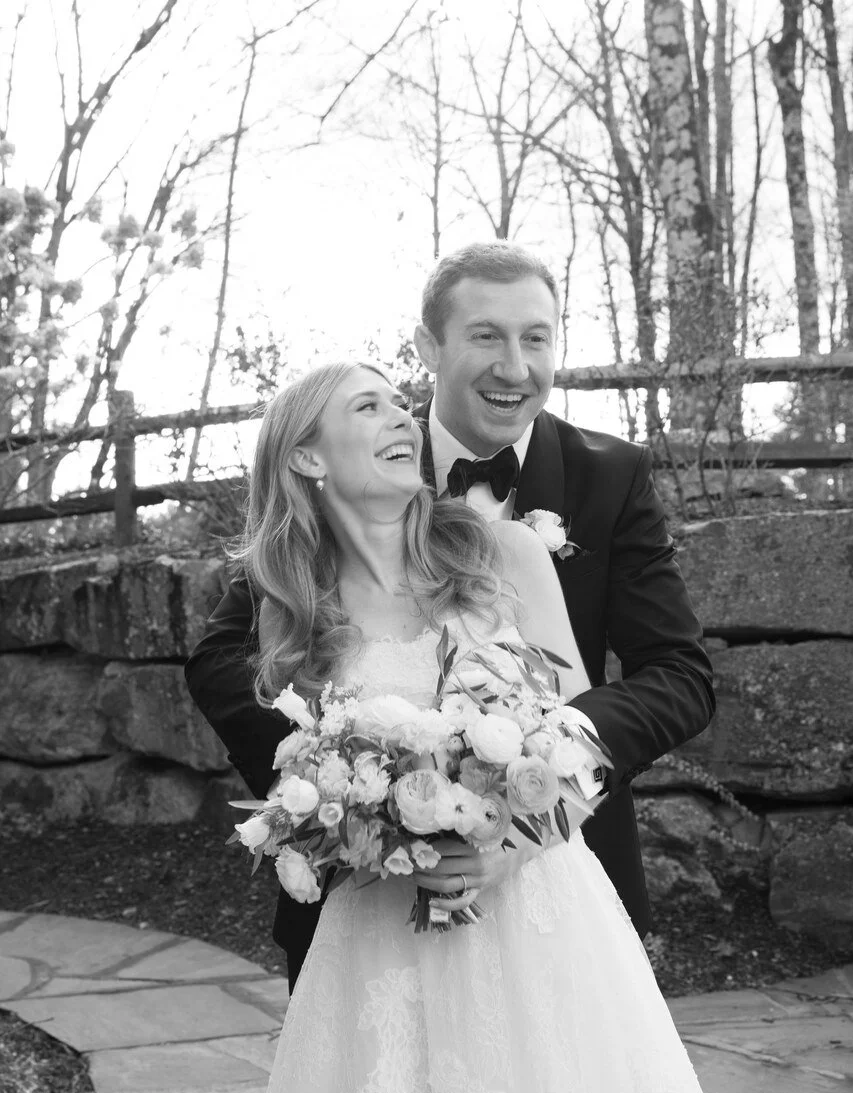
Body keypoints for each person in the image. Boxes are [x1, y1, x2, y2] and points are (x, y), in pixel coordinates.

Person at [185, 241, 715, 991]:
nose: (515, 366)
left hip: (554, 874)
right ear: (428, 345)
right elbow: (222, 661)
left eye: (536, 337)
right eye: (485, 336)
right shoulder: (357, 466)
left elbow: (678, 676)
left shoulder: (610, 475)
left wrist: (537, 808)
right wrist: (350, 802)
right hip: (366, 903)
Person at [240, 359, 709, 1093]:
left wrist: (507, 849)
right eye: (369, 407)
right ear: (306, 456)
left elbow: (578, 736)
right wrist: (357, 823)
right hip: (379, 926)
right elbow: (312, 770)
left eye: (399, 403)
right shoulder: (293, 603)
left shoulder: (504, 552)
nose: (401, 416)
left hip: (534, 901)